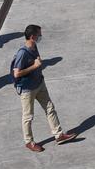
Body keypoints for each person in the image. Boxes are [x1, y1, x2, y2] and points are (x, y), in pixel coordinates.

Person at [10, 25, 78, 153]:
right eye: (39, 35)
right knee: (28, 116)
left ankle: (59, 135)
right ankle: (29, 142)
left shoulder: (34, 46)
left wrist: (38, 66)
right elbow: (16, 74)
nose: (40, 37)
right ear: (32, 36)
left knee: (50, 108)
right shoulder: (22, 53)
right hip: (27, 89)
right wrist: (35, 66)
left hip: (39, 84)